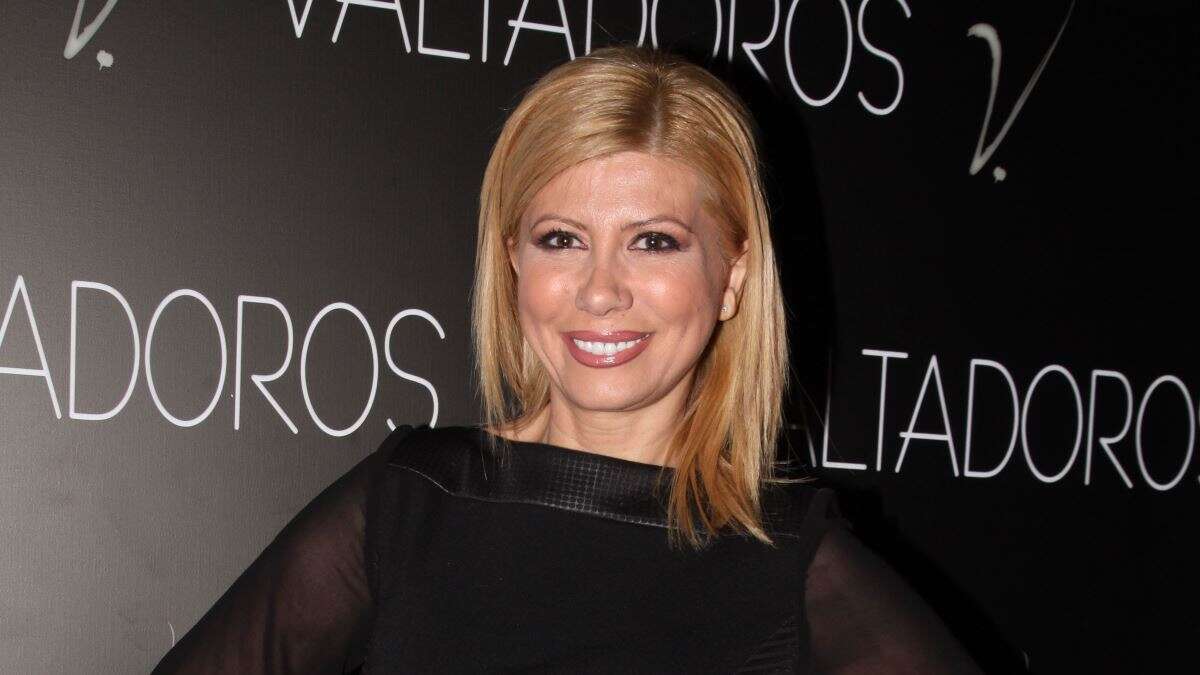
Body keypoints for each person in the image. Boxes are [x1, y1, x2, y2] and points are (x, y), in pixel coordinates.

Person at [152, 46, 981, 674]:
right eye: (561, 239)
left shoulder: (789, 563)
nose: (601, 290)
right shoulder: (411, 503)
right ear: (512, 258)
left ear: (732, 275)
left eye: (654, 241)